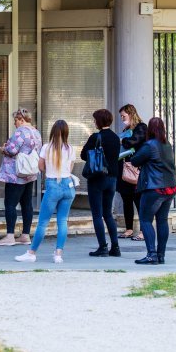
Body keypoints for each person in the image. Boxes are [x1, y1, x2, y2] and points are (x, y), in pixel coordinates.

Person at [15, 120, 77, 264]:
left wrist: (50, 169)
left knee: (43, 222)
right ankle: (58, 254)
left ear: (52, 132)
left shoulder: (46, 148)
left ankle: (31, 253)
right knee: (62, 221)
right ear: (66, 132)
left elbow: (41, 166)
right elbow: (70, 168)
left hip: (53, 184)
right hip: (68, 185)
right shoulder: (71, 149)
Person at [129, 117, 176, 265]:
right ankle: (160, 255)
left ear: (149, 130)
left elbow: (135, 160)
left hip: (154, 188)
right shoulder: (167, 144)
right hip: (170, 187)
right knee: (162, 220)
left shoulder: (149, 145)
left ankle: (151, 255)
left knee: (145, 220)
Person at [0, 108, 42, 247]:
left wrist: (3, 148)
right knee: (27, 204)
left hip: (16, 174)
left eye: (15, 120)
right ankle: (25, 235)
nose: (15, 123)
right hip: (30, 173)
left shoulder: (20, 132)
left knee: (10, 204)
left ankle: (10, 236)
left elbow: (12, 150)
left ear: (22, 119)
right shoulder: (36, 132)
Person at [80, 109, 121, 257]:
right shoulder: (116, 138)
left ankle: (103, 247)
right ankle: (115, 247)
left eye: (94, 120)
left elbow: (84, 155)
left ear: (98, 121)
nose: (93, 122)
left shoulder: (95, 137)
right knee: (108, 214)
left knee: (97, 214)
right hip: (112, 179)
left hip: (97, 178)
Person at [118, 104, 147, 241]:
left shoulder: (141, 127)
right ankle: (129, 229)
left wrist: (122, 140)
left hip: (135, 168)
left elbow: (133, 142)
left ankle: (143, 231)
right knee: (126, 199)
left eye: (124, 115)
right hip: (124, 167)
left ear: (131, 114)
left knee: (139, 200)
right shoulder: (126, 128)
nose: (122, 118)